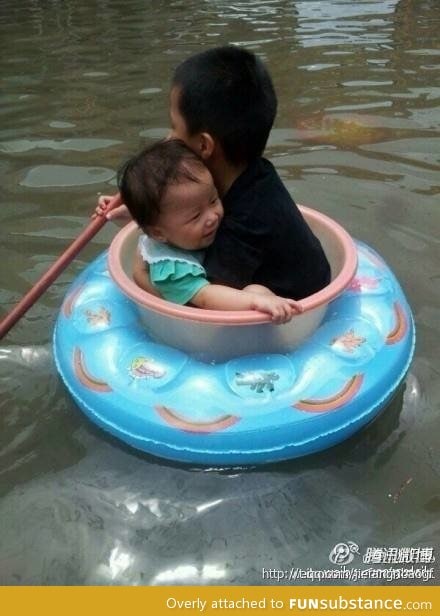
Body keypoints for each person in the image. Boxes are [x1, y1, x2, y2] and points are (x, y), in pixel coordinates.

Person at [98, 45, 330, 299]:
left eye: (174, 128)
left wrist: (141, 277)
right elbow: (188, 203)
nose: (167, 139)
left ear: (204, 146)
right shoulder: (249, 173)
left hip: (296, 310)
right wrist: (142, 209)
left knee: (254, 293)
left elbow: (203, 300)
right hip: (301, 274)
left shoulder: (245, 223)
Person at [117, 138, 302, 323]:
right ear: (158, 233)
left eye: (213, 200)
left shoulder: (168, 232)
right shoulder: (173, 270)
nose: (212, 216)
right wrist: (255, 301)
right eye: (196, 216)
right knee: (256, 291)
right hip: (199, 328)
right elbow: (206, 297)